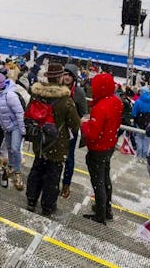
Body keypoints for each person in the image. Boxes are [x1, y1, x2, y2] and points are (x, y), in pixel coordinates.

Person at [25, 63, 80, 216]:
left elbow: (28, 113)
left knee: (36, 170)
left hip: (39, 141)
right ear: (61, 77)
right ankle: (47, 207)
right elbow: (75, 124)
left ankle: (31, 200)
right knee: (52, 176)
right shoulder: (65, 99)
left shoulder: (37, 93)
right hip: (57, 144)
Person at [79, 72, 123, 224]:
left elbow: (92, 134)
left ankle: (100, 215)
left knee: (98, 182)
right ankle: (106, 209)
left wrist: (84, 124)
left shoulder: (101, 107)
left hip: (98, 149)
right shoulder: (116, 102)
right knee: (105, 178)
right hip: (109, 146)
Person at [0, 73, 25, 191]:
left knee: (15, 148)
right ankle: (11, 166)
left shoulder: (10, 95)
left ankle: (18, 172)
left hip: (15, 126)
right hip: (6, 126)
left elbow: (19, 113)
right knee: (10, 147)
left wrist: (23, 130)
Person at [60, 63, 88, 199]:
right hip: (58, 129)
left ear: (74, 77)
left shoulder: (79, 93)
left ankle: (66, 184)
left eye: (69, 75)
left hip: (71, 130)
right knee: (56, 156)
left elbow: (84, 113)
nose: (66, 77)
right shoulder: (58, 89)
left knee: (69, 157)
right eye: (64, 74)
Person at [131, 86, 150, 160]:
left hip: (139, 123)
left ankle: (139, 155)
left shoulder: (138, 102)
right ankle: (144, 155)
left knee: (139, 139)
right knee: (147, 140)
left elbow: (134, 114)